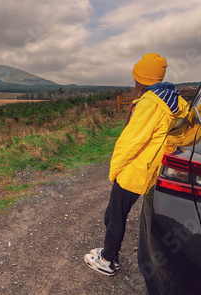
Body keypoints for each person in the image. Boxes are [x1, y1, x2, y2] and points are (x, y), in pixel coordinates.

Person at [84, 52, 190, 276]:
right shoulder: (169, 99)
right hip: (144, 168)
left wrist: (114, 170)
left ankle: (107, 260)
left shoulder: (150, 103)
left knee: (114, 217)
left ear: (140, 78)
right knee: (113, 213)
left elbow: (131, 142)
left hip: (135, 169)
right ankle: (109, 253)